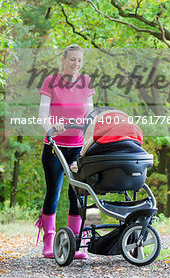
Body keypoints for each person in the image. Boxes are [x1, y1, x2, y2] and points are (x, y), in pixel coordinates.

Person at [35, 44, 95, 259]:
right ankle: (49, 243)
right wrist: (52, 126)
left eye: (79, 60)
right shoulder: (50, 81)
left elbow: (90, 111)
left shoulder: (86, 82)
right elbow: (43, 114)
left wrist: (89, 129)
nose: (76, 64)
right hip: (55, 147)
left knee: (76, 195)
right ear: (63, 60)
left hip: (78, 148)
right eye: (72, 60)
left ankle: (75, 244)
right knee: (54, 193)